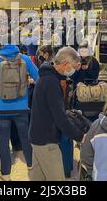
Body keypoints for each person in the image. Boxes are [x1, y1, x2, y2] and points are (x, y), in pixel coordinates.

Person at [0, 42, 39, 181]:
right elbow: (39, 77)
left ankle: (6, 173)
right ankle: (31, 167)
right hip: (21, 106)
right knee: (26, 138)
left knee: (3, 141)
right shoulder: (25, 59)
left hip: (2, 108)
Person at [29, 47, 84, 181]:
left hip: (37, 136)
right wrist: (80, 136)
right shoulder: (51, 82)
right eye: (72, 67)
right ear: (65, 64)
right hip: (47, 139)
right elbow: (60, 117)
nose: (73, 71)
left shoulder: (47, 77)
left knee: (38, 177)